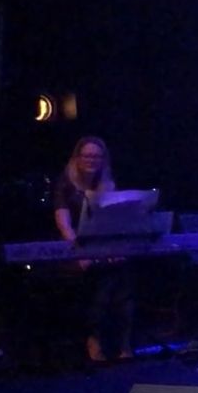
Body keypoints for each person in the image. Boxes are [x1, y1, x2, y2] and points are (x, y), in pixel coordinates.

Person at [52, 136, 134, 362]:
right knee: (101, 276)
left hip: (103, 246)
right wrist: (82, 252)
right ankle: (94, 338)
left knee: (121, 271)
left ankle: (124, 340)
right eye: (87, 155)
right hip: (74, 248)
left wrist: (114, 250)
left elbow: (113, 222)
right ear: (77, 158)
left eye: (97, 156)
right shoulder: (65, 184)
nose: (92, 160)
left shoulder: (108, 184)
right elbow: (64, 225)